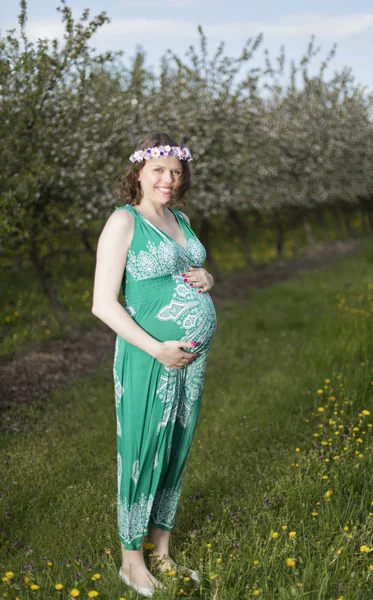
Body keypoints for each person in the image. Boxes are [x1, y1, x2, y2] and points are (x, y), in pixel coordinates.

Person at [92, 132, 217, 597]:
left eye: (176, 171)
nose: (169, 179)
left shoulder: (179, 218)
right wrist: (156, 348)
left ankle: (161, 552)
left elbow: (188, 274)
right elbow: (103, 304)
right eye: (159, 170)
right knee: (144, 448)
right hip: (149, 356)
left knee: (176, 446)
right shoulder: (124, 222)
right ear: (139, 173)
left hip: (190, 361)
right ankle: (131, 560)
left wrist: (208, 276)